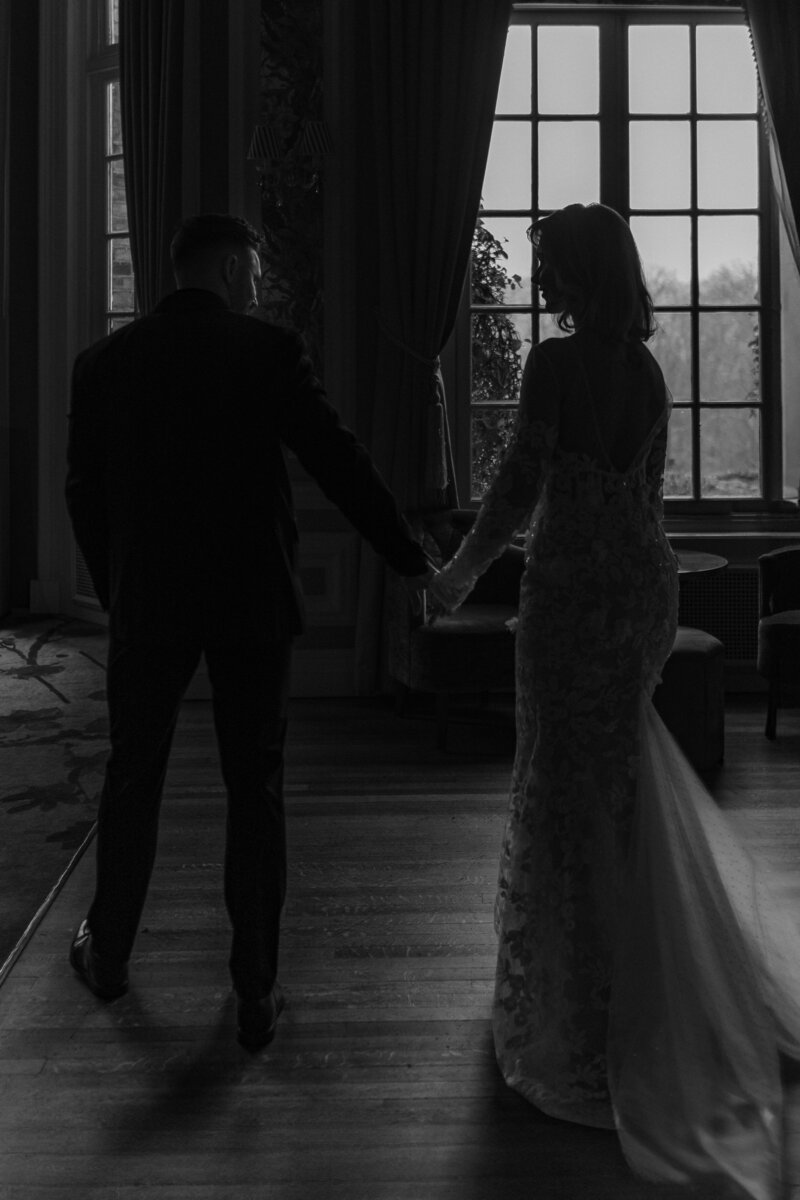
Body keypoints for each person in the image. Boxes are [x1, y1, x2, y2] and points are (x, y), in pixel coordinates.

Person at [427, 203, 800, 1198]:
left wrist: (457, 576)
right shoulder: (643, 369)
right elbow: (647, 502)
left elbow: (514, 489)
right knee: (615, 777)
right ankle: (646, 981)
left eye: (549, 265)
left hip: (573, 591)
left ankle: (585, 1001)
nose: (540, 279)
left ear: (579, 271)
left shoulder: (555, 366)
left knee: (564, 781)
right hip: (639, 583)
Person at [65, 213, 433, 1051]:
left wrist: (117, 587)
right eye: (255, 271)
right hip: (251, 603)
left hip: (149, 602)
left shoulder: (104, 365)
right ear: (230, 268)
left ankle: (109, 954)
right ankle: (256, 989)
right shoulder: (269, 352)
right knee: (254, 788)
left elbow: (83, 492)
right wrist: (408, 558)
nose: (260, 285)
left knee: (134, 776)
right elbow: (339, 462)